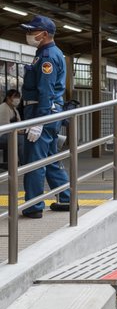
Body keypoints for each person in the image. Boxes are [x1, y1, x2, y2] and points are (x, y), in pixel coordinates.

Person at [19, 15, 73, 218]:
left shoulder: (47, 56)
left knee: (35, 161)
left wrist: (38, 121)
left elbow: (46, 89)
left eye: (31, 31)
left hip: (42, 111)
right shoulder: (48, 53)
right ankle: (67, 198)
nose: (28, 34)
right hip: (49, 112)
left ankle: (33, 206)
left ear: (43, 34)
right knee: (50, 159)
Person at [0, 89, 23, 168]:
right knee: (21, 140)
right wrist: (19, 132)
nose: (17, 99)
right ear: (8, 98)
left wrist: (22, 131)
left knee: (25, 138)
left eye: (18, 97)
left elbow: (20, 125)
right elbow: (5, 127)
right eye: (15, 97)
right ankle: (24, 163)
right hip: (2, 135)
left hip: (11, 134)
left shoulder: (15, 110)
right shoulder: (3, 108)